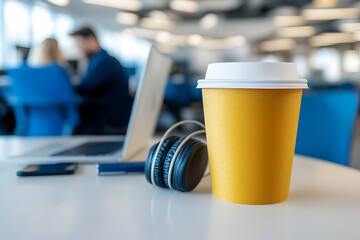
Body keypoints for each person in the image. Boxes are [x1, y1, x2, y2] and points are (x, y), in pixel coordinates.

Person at [70, 26, 131, 134]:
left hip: (109, 121)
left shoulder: (104, 61)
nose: (78, 48)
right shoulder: (97, 60)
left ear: (92, 39)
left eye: (80, 43)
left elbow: (85, 88)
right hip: (106, 117)